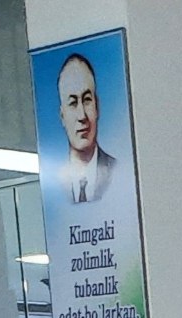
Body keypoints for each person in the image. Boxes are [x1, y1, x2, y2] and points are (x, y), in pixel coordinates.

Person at [49, 52, 117, 205]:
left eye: (86, 100)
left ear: (97, 107)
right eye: (73, 103)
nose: (82, 115)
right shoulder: (54, 182)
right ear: (62, 116)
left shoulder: (118, 171)